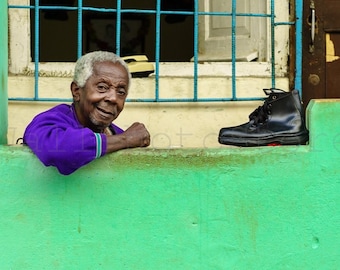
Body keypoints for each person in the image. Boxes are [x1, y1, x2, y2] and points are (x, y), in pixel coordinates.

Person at [23, 51, 150, 175]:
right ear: (76, 91)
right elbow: (59, 152)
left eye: (121, 92)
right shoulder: (48, 122)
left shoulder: (118, 134)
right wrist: (125, 139)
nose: (113, 98)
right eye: (102, 87)